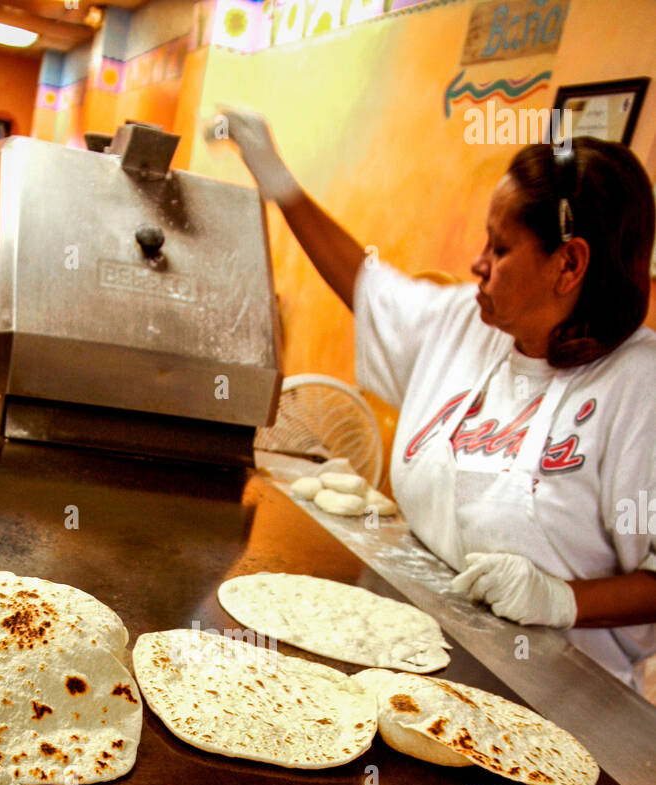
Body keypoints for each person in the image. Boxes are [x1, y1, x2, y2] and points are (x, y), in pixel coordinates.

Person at [218, 111, 656, 689]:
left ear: (568, 264)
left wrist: (562, 600)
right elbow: (366, 284)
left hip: (560, 696)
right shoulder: (466, 325)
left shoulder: (635, 388)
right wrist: (280, 184)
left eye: (499, 248)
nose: (477, 263)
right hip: (423, 659)